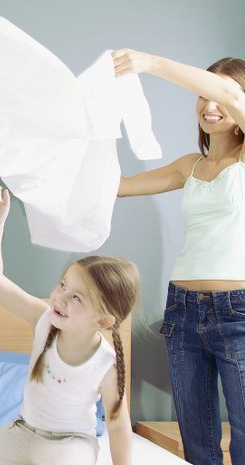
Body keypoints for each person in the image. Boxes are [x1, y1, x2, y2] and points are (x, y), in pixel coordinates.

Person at [0, 185, 138, 465]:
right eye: (63, 285)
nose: (60, 298)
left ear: (102, 320)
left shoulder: (106, 364)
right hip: (25, 431)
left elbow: (118, 426)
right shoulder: (43, 319)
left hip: (70, 443)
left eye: (76, 297)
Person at [114, 49, 245, 465]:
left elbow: (230, 94)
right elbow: (121, 186)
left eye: (220, 97)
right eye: (202, 98)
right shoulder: (190, 165)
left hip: (238, 311)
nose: (209, 107)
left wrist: (150, 64)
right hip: (183, 310)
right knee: (196, 437)